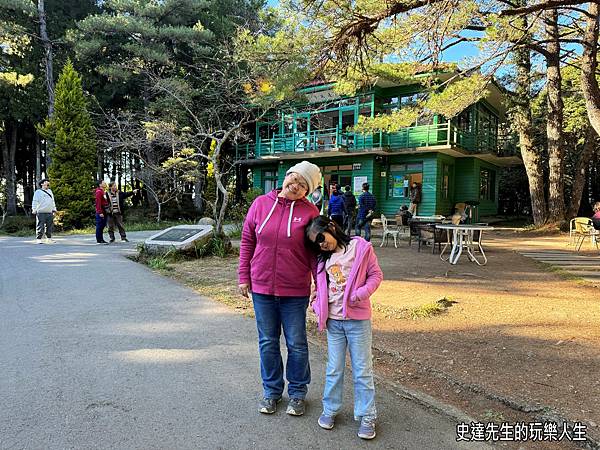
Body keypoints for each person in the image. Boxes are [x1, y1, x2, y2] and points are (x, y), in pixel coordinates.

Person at [238, 160, 322, 416]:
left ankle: (297, 393)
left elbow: (315, 253)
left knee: (296, 343)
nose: (295, 186)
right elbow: (247, 241)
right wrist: (244, 276)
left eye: (302, 184)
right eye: (293, 179)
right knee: (267, 342)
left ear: (308, 190)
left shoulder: (310, 213)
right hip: (262, 287)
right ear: (285, 177)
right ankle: (272, 392)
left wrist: (320, 282)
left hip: (294, 290)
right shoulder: (261, 204)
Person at [306, 216, 383, 440]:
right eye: (316, 243)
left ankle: (367, 415)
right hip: (334, 322)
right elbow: (320, 287)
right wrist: (316, 304)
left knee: (362, 370)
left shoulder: (360, 248)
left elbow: (376, 275)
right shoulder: (323, 260)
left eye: (321, 237)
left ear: (331, 227)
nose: (321, 244)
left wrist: (359, 295)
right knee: (334, 369)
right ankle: (330, 409)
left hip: (357, 321)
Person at [31, 179, 57, 244]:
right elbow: (35, 201)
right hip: (40, 212)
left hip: (49, 211)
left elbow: (52, 201)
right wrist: (34, 209)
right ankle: (39, 239)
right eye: (45, 182)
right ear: (42, 184)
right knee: (40, 225)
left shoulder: (50, 191)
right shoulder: (38, 192)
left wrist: (54, 208)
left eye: (48, 182)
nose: (47, 183)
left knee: (49, 226)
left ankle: (48, 239)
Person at [95, 180, 109, 245]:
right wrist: (100, 212)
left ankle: (101, 239)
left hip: (104, 211)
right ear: (100, 185)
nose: (105, 183)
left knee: (102, 226)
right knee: (99, 226)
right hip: (101, 212)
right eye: (104, 183)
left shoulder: (103, 191)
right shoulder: (98, 192)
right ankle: (99, 240)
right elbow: (98, 203)